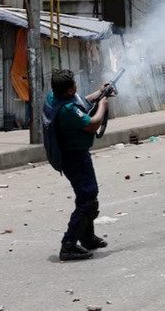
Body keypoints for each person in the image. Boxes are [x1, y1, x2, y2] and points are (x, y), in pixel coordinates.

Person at [46, 69, 111, 261]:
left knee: (85, 195)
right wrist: (103, 106)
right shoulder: (68, 111)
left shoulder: (53, 98)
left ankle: (87, 237)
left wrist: (100, 93)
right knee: (88, 198)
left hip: (70, 155)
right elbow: (92, 124)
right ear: (67, 90)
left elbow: (80, 101)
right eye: (73, 85)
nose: (76, 87)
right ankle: (69, 245)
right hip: (74, 157)